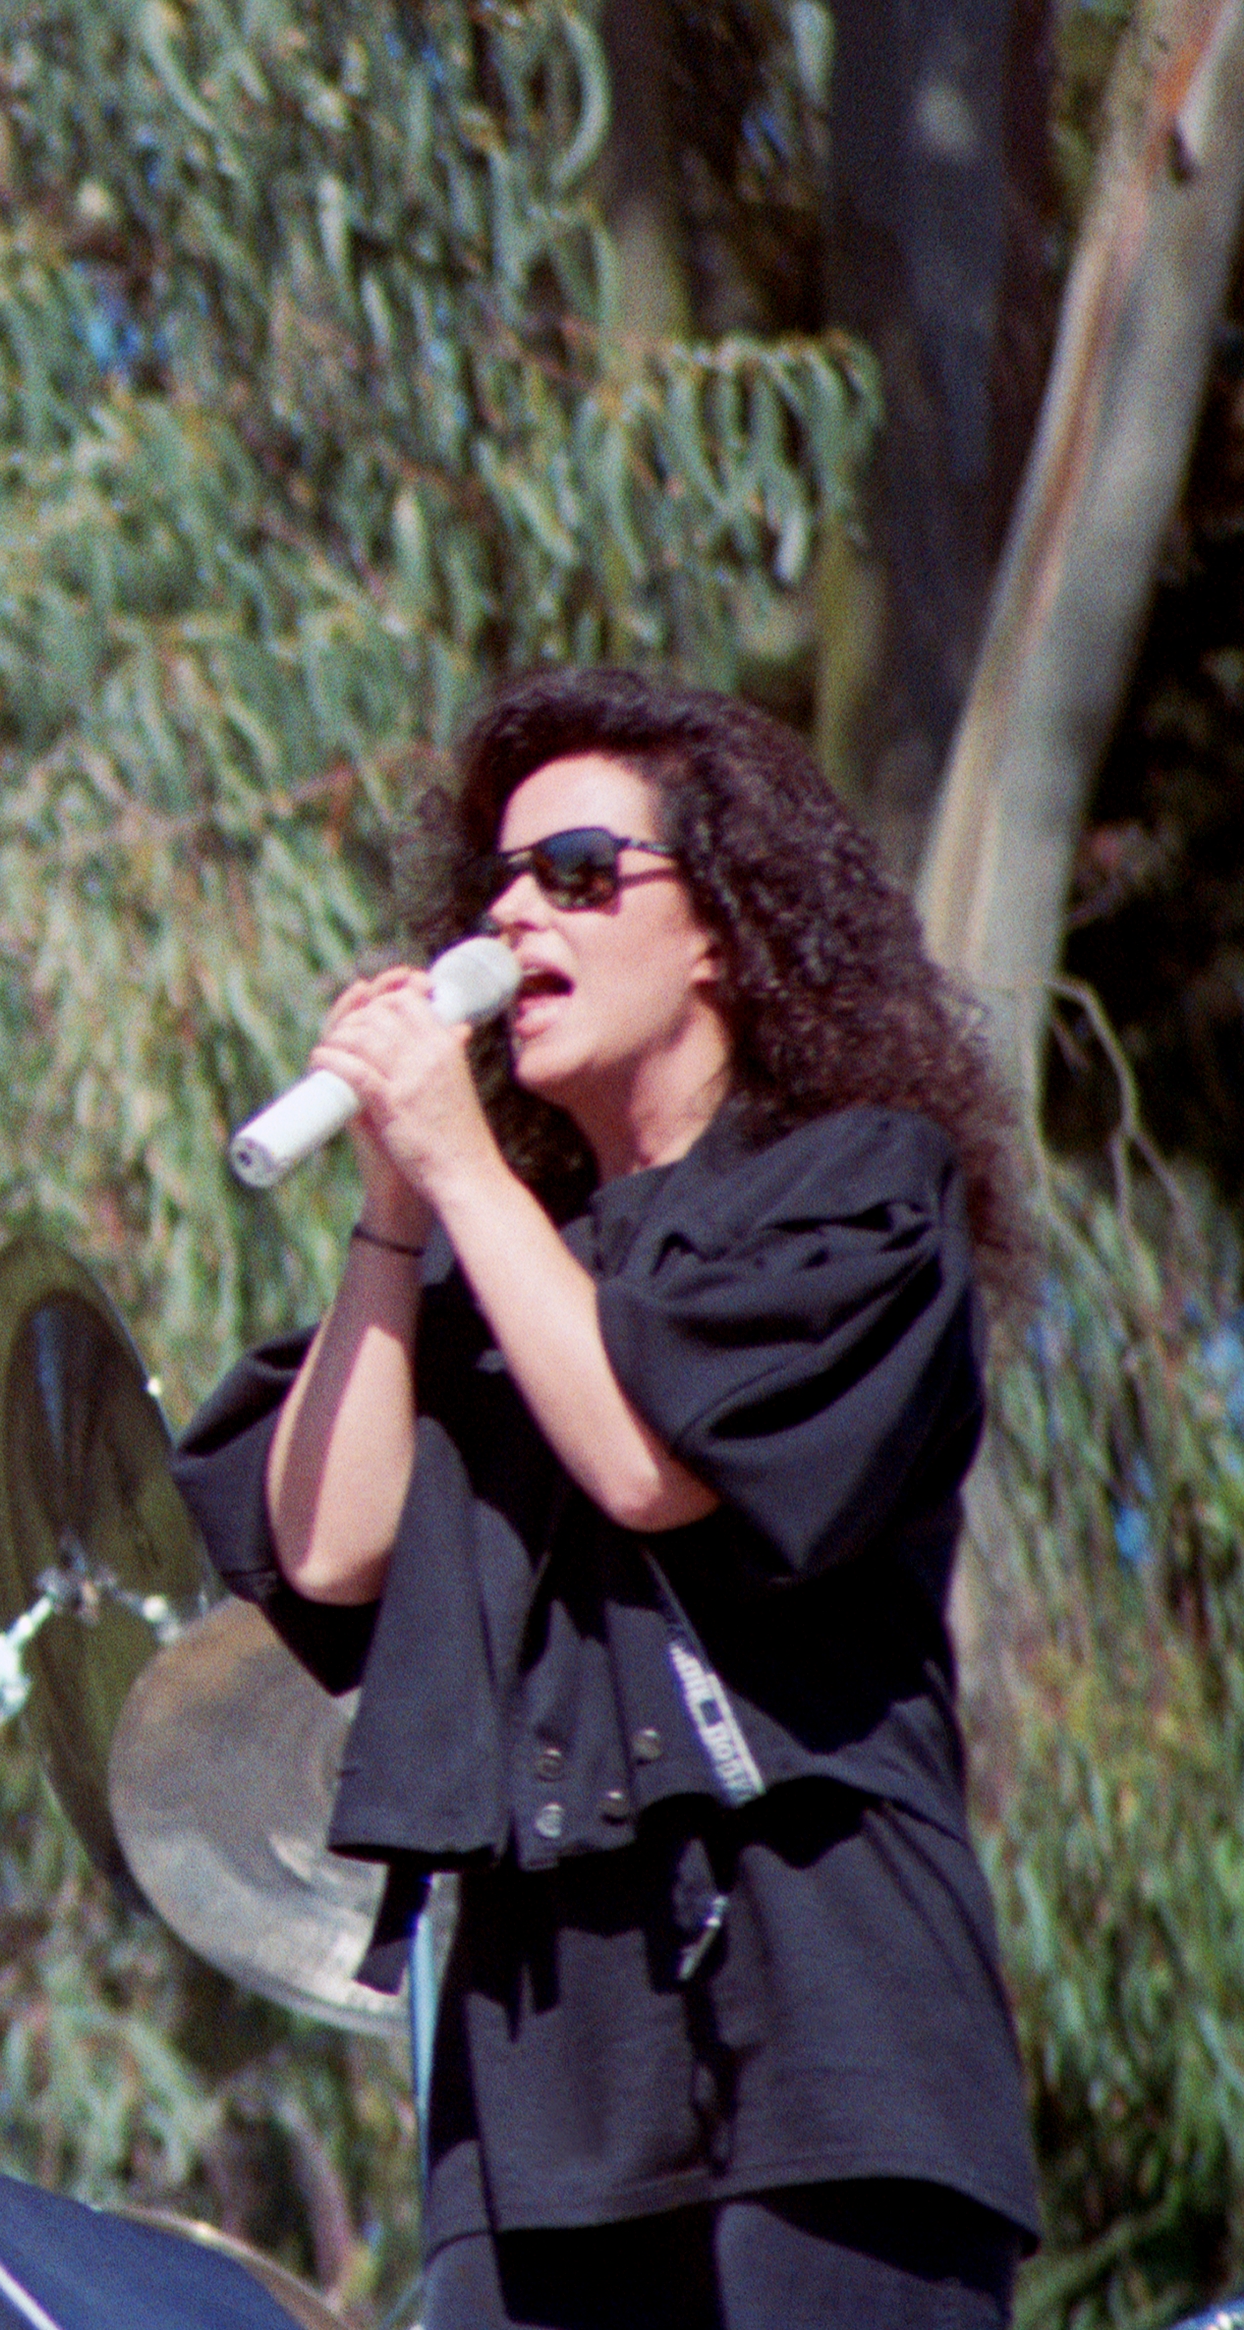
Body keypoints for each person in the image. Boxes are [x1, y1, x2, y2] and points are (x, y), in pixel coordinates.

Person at [169, 668, 1042, 2329]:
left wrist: (464, 1170)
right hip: (539, 2087)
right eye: (495, 881)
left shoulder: (860, 1193)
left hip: (822, 2048)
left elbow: (655, 1463)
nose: (512, 913)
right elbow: (329, 1545)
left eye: (574, 872)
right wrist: (393, 1212)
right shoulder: (502, 1265)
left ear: (721, 931)